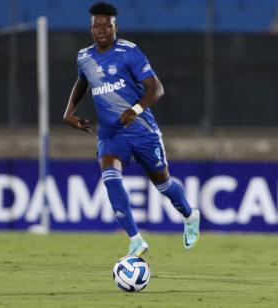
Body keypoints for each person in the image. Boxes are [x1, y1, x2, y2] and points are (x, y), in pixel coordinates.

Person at [63, 2, 200, 256]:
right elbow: (83, 81)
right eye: (97, 25)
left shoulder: (129, 52)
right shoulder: (84, 57)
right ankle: (135, 239)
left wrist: (135, 110)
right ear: (90, 28)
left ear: (116, 26)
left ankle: (190, 216)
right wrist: (68, 112)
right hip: (111, 134)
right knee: (110, 177)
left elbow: (156, 89)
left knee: (163, 185)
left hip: (142, 130)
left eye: (107, 25)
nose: (102, 30)